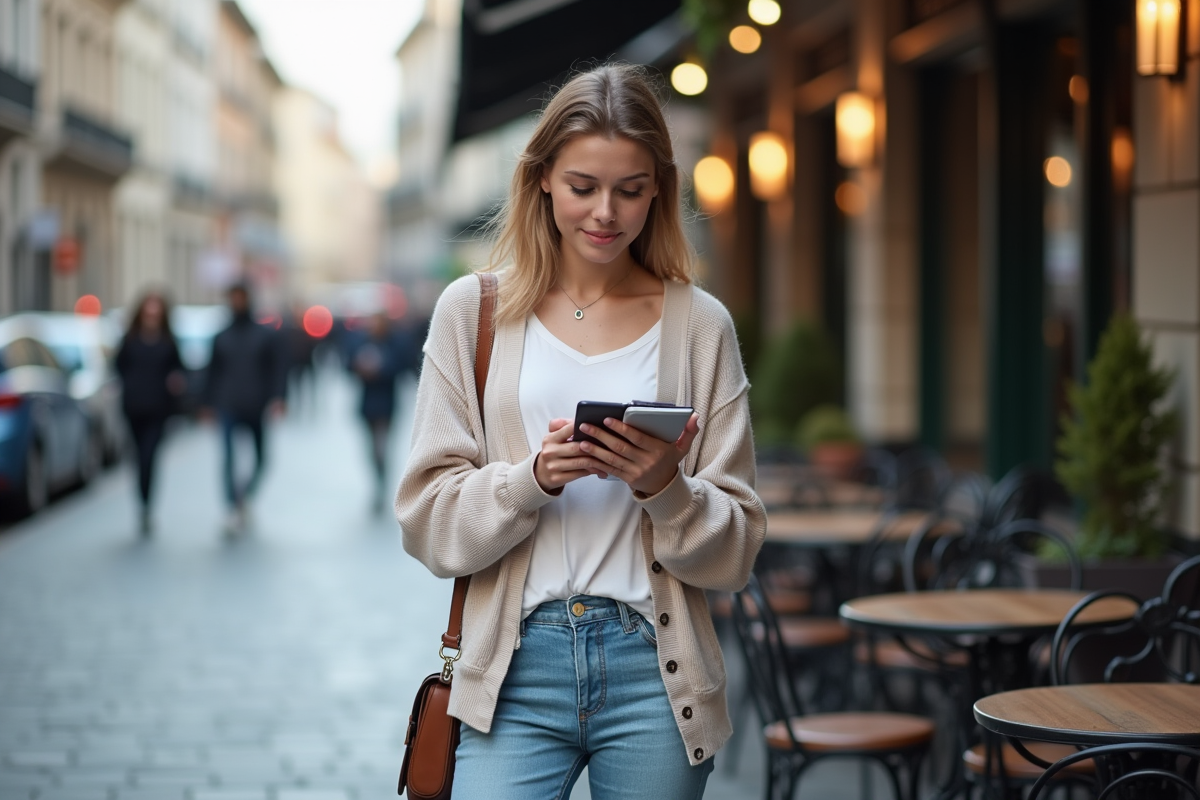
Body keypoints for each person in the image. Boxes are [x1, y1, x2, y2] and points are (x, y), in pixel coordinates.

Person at [396, 64, 766, 799]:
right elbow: (427, 521)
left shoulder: (700, 326)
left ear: (659, 187)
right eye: (582, 187)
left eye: (630, 189)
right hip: (512, 668)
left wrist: (665, 488)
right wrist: (531, 479)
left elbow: (738, 551)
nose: (606, 212)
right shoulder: (471, 314)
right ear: (541, 179)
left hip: (655, 671)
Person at [202, 282, 286, 533]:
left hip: (256, 405)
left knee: (262, 459)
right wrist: (205, 403)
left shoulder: (265, 335)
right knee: (228, 458)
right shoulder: (221, 336)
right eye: (233, 297)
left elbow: (277, 370)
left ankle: (244, 497)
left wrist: (279, 398)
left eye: (241, 297)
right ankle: (231, 507)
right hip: (227, 405)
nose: (237, 302)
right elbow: (212, 372)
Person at [115, 290, 185, 535]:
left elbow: (179, 368)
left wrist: (175, 382)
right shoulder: (130, 339)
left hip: (158, 409)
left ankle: (146, 505)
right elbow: (118, 366)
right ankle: (142, 503)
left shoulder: (168, 341)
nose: (152, 313)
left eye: (157, 309)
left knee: (149, 456)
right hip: (134, 407)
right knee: (138, 458)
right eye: (149, 308)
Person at [348, 311, 415, 513]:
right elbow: (348, 364)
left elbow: (404, 365)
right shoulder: (361, 342)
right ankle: (378, 480)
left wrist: (382, 368)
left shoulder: (396, 343)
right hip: (367, 405)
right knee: (371, 449)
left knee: (381, 448)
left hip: (387, 405)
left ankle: (381, 484)